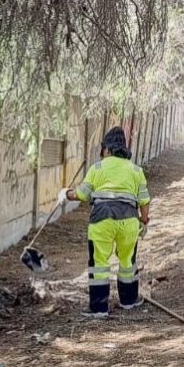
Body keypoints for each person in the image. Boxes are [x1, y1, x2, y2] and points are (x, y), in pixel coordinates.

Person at [64, 127, 151, 318]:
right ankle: (129, 301)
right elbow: (144, 201)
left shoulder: (98, 168)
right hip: (129, 220)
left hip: (102, 219)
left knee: (99, 263)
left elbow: (82, 194)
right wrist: (144, 222)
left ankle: (99, 308)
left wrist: (67, 194)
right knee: (128, 261)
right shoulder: (136, 170)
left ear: (107, 149)